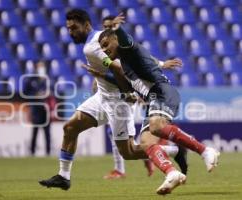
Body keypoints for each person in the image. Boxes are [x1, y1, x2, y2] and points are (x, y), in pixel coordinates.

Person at [39, 9, 187, 191]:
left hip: (118, 102)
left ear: (86, 25)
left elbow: (118, 67)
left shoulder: (93, 46)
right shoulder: (102, 37)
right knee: (70, 127)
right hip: (101, 97)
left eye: (74, 28)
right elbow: (135, 55)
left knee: (129, 152)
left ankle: (175, 150)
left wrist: (127, 93)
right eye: (68, 29)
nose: (71, 32)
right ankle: (63, 176)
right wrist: (161, 64)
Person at [97, 14, 220, 195]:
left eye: (106, 44)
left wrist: (118, 29)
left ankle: (205, 150)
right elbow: (131, 81)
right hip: (153, 97)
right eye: (102, 48)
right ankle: (172, 173)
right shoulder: (125, 63)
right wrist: (103, 76)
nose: (105, 50)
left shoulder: (127, 49)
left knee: (155, 127)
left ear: (115, 39)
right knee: (146, 143)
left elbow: (127, 41)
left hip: (162, 91)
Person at [99, 15, 184, 179]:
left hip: (134, 93)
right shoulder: (102, 47)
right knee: (128, 141)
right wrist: (99, 79)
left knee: (137, 140)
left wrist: (160, 64)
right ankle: (170, 154)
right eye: (104, 26)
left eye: (108, 26)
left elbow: (140, 55)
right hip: (121, 93)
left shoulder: (118, 46)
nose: (106, 28)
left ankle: (163, 160)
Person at [23, 61, 52, 156]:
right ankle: (32, 152)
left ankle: (48, 152)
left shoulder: (48, 80)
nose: (41, 69)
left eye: (42, 67)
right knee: (35, 132)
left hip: (45, 109)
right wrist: (35, 95)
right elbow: (25, 93)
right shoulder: (31, 80)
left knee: (47, 133)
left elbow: (52, 92)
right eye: (40, 67)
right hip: (36, 109)